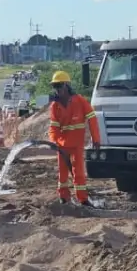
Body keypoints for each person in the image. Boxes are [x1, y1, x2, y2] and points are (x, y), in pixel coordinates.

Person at [48, 70, 101, 207]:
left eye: (59, 85)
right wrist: (55, 142)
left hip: (77, 144)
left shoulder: (80, 101)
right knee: (63, 174)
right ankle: (64, 198)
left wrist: (96, 139)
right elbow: (53, 127)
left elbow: (92, 119)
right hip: (62, 145)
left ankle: (82, 199)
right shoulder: (55, 106)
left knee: (79, 173)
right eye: (55, 86)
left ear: (66, 85)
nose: (57, 89)